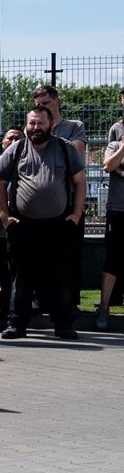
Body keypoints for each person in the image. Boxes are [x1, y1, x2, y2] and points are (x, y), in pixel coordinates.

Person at [0, 105, 86, 340]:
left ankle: (63, 324)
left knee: (60, 277)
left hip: (59, 224)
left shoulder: (66, 149)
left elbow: (80, 182)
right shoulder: (15, 150)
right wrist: (4, 216)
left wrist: (76, 214)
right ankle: (17, 324)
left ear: (51, 125)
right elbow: (0, 182)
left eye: (40, 123)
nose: (35, 128)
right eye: (32, 123)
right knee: (21, 277)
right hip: (22, 225)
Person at [100, 91, 124, 330]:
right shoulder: (117, 131)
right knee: (113, 259)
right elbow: (108, 164)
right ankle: (104, 307)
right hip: (119, 207)